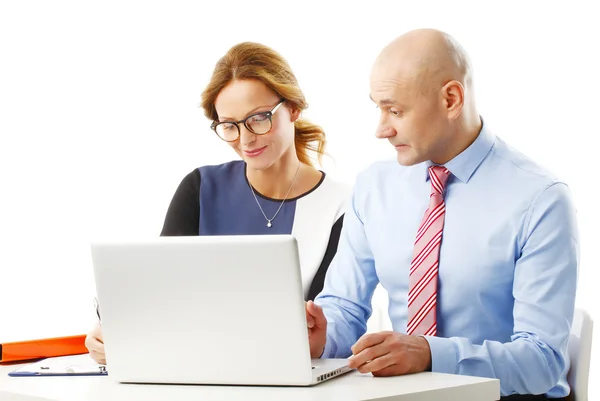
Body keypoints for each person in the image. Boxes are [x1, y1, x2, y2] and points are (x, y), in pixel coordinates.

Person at [306, 29, 578, 401]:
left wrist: (431, 354)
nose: (381, 129)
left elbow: (542, 362)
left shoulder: (540, 199)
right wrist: (323, 337)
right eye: (379, 108)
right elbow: (343, 309)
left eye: (396, 110)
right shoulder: (373, 188)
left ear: (451, 99)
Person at [86, 42, 350, 365]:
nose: (246, 138)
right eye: (230, 125)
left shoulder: (340, 205)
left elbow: (329, 324)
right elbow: (161, 294)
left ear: (293, 108)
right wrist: (113, 330)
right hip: (198, 372)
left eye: (259, 118)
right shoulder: (199, 189)